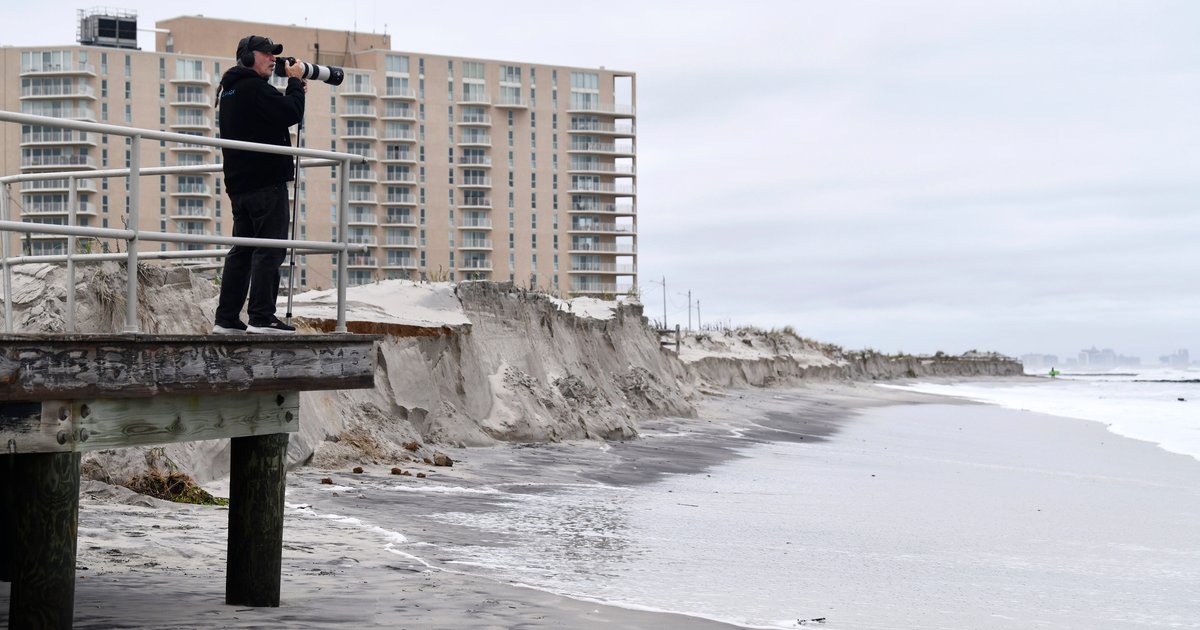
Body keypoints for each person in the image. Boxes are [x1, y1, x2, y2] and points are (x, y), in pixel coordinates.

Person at [211, 35, 307, 334]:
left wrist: (291, 89)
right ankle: (262, 317)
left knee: (242, 251)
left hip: (240, 185)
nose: (272, 59)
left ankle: (227, 319)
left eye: (273, 54)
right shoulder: (254, 88)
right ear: (248, 56)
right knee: (270, 249)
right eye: (266, 53)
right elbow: (290, 113)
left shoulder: (230, 89)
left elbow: (267, 116)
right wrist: (295, 83)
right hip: (265, 182)